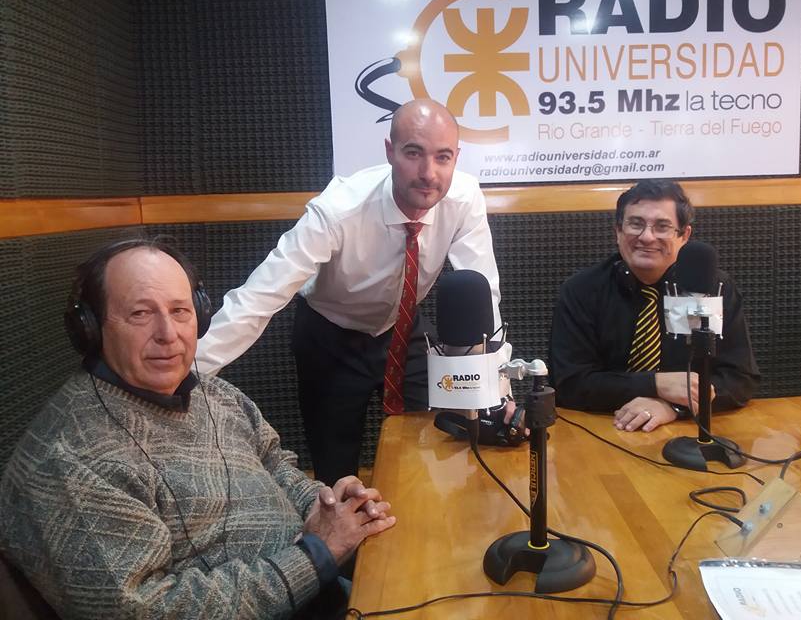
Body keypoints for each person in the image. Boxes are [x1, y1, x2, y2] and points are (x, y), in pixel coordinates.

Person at [0, 239, 396, 619]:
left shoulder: (215, 393)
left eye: (179, 311)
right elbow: (144, 610)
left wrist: (330, 505)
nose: (168, 334)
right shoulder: (73, 459)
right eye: (140, 313)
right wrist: (314, 556)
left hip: (317, 590)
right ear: (89, 328)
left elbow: (275, 467)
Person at [194, 99, 501, 483]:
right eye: (413, 153)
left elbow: (482, 290)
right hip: (330, 335)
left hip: (405, 329)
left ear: (456, 157)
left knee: (438, 444)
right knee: (337, 474)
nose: (428, 173)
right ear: (390, 151)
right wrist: (185, 372)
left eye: (442, 158)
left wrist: (494, 380)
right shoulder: (337, 210)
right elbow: (258, 298)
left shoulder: (465, 197)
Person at [549, 179, 759, 432]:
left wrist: (674, 407)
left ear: (684, 236)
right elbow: (570, 384)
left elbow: (739, 379)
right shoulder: (581, 290)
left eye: (662, 227)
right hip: (602, 428)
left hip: (686, 430)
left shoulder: (714, 289)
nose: (647, 237)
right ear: (618, 231)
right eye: (635, 224)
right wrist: (656, 384)